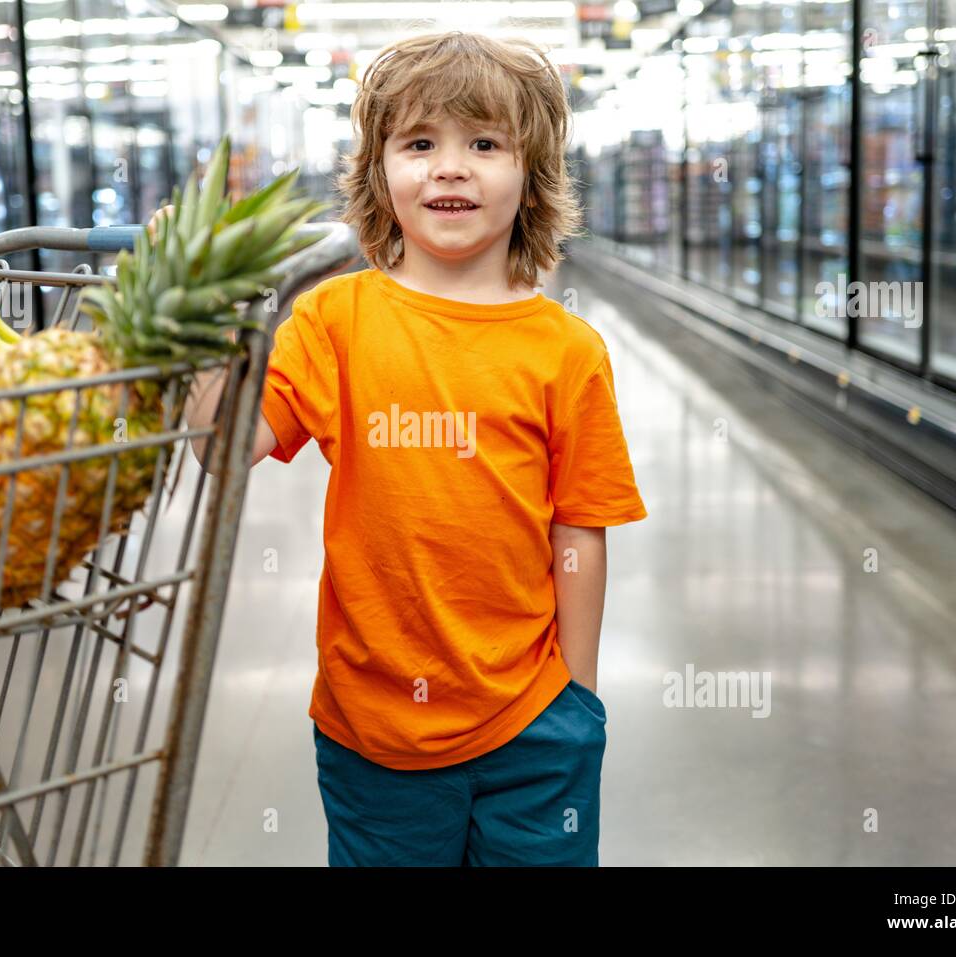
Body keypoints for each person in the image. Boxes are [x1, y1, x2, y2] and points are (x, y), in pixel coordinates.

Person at [163, 31, 648, 866]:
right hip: (373, 727)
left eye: (485, 143)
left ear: (530, 176)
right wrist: (194, 310)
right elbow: (228, 444)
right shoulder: (334, 322)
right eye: (419, 143)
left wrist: (580, 697)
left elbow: (579, 530)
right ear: (379, 173)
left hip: (533, 722)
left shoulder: (567, 351)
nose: (450, 167)